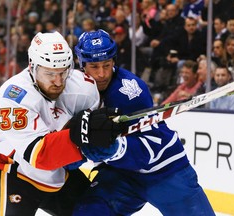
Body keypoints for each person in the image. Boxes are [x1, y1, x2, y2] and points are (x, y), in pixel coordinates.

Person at [73, 29, 215, 215]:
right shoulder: (74, 91)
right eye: (94, 67)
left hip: (164, 171)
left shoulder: (130, 91)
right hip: (120, 175)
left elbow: (152, 145)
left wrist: (116, 148)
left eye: (106, 65)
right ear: (82, 64)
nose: (101, 74)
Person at [0, 31, 122, 216]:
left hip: (59, 174)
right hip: (13, 172)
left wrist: (98, 144)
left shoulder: (84, 88)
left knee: (100, 212)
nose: (58, 82)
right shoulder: (14, 96)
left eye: (63, 72)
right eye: (49, 73)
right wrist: (81, 134)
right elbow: (40, 156)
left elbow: (92, 137)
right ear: (32, 66)